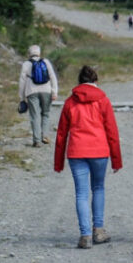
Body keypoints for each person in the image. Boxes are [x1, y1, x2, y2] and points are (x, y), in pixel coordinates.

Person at [53, 65, 123, 249]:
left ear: (79, 81)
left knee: (81, 193)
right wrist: (116, 159)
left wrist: (58, 162)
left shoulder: (70, 102)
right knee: (98, 188)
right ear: (96, 81)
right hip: (99, 151)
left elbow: (61, 134)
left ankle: (85, 236)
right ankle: (98, 230)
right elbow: (112, 131)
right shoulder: (103, 100)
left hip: (77, 152)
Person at [18, 45, 59, 147]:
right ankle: (44, 135)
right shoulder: (46, 62)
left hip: (31, 92)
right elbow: (52, 77)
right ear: (39, 53)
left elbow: (22, 82)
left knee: (34, 115)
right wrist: (54, 92)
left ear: (29, 53)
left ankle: (36, 140)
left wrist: (22, 98)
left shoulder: (26, 64)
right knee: (45, 113)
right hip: (46, 91)